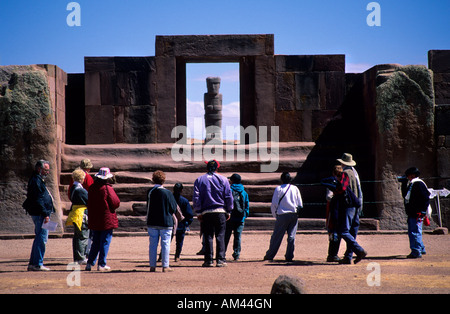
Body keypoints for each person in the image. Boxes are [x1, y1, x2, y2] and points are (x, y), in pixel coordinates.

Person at [193, 160, 233, 267]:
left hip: (206, 212)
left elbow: (196, 198)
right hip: (220, 211)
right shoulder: (224, 179)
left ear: (206, 168)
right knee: (220, 235)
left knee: (208, 236)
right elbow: (228, 196)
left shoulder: (200, 179)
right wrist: (229, 210)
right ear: (217, 168)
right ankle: (220, 260)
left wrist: (198, 211)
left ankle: (208, 260)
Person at [85, 167, 120, 271]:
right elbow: (115, 202)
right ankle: (102, 264)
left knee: (95, 241)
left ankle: (90, 263)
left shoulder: (91, 188)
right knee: (105, 241)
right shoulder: (107, 188)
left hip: (95, 218)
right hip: (106, 219)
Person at [264, 172, 303, 262]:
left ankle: (270, 255)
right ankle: (289, 256)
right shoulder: (295, 188)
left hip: (282, 215)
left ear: (281, 179)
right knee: (291, 237)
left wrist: (275, 215)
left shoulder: (278, 189)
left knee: (276, 237)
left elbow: (274, 204)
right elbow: (300, 203)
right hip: (293, 214)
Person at [23, 160, 55, 271]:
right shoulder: (36, 181)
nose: (47, 172)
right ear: (39, 169)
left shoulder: (38, 180)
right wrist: (46, 214)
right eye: (46, 170)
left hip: (42, 213)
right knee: (42, 238)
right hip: (41, 214)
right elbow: (39, 199)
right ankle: (37, 263)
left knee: (39, 237)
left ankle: (34, 263)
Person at [146, 170, 178, 272]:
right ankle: (165, 266)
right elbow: (173, 208)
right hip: (165, 221)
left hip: (152, 221)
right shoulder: (168, 193)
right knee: (165, 244)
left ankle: (152, 266)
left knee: (153, 244)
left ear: (153, 179)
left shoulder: (150, 192)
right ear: (163, 180)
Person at [336, 153, 364, 264]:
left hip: (348, 205)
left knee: (343, 230)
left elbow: (343, 188)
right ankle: (348, 256)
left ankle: (359, 250)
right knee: (352, 231)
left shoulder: (345, 174)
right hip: (356, 204)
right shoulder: (354, 173)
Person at [400, 167, 430, 258]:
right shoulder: (413, 184)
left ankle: (416, 251)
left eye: (408, 176)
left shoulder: (418, 184)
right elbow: (405, 195)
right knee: (416, 231)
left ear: (412, 175)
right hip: (414, 212)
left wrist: (422, 211)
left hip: (416, 212)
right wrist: (404, 184)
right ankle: (421, 248)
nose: (407, 177)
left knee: (415, 232)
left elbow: (425, 198)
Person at [66, 168, 89, 264]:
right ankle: (81, 257)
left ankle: (78, 257)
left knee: (77, 237)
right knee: (82, 236)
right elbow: (89, 200)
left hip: (75, 213)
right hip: (81, 214)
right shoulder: (80, 190)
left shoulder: (73, 188)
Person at [225, 173, 250, 261]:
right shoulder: (243, 192)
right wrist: (244, 215)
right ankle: (236, 254)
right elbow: (247, 205)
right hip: (240, 218)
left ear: (232, 181)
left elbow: (226, 202)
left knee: (226, 236)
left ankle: (222, 253)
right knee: (237, 236)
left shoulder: (229, 190)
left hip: (230, 217)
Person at [322, 165, 344, 262]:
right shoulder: (334, 182)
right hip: (333, 209)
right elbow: (329, 196)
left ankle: (333, 254)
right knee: (334, 232)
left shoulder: (338, 182)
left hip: (335, 209)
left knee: (335, 232)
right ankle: (332, 254)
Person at [173, 183, 194, 262]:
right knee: (179, 242)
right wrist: (187, 223)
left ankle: (162, 255)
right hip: (181, 223)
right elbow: (189, 214)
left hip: (170, 223)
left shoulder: (169, 198)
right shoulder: (184, 201)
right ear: (182, 190)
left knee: (166, 241)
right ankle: (177, 256)